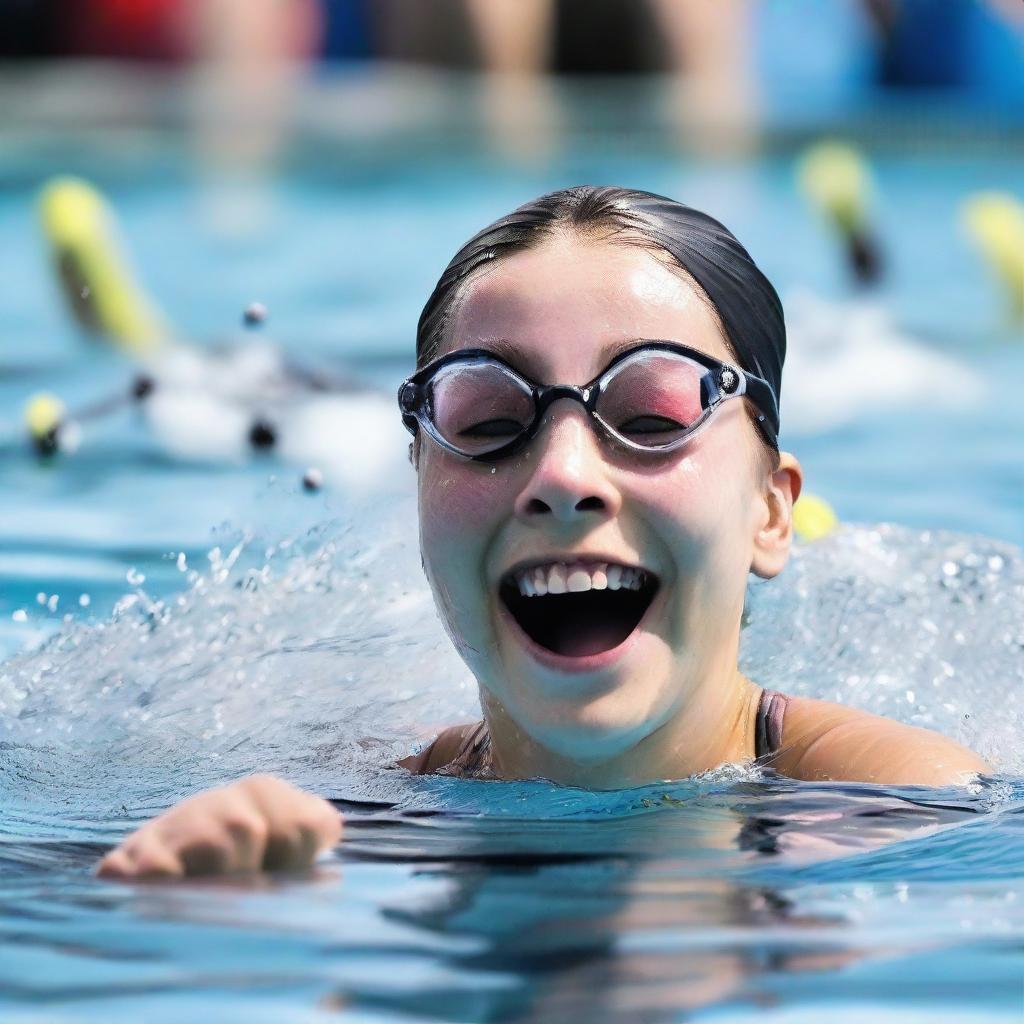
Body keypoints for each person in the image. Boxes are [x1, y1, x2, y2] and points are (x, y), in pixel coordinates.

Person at [96, 186, 990, 880]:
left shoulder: (906, 805)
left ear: (770, 510)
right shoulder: (339, 805)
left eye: (650, 415)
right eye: (487, 422)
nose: (562, 475)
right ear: (417, 493)